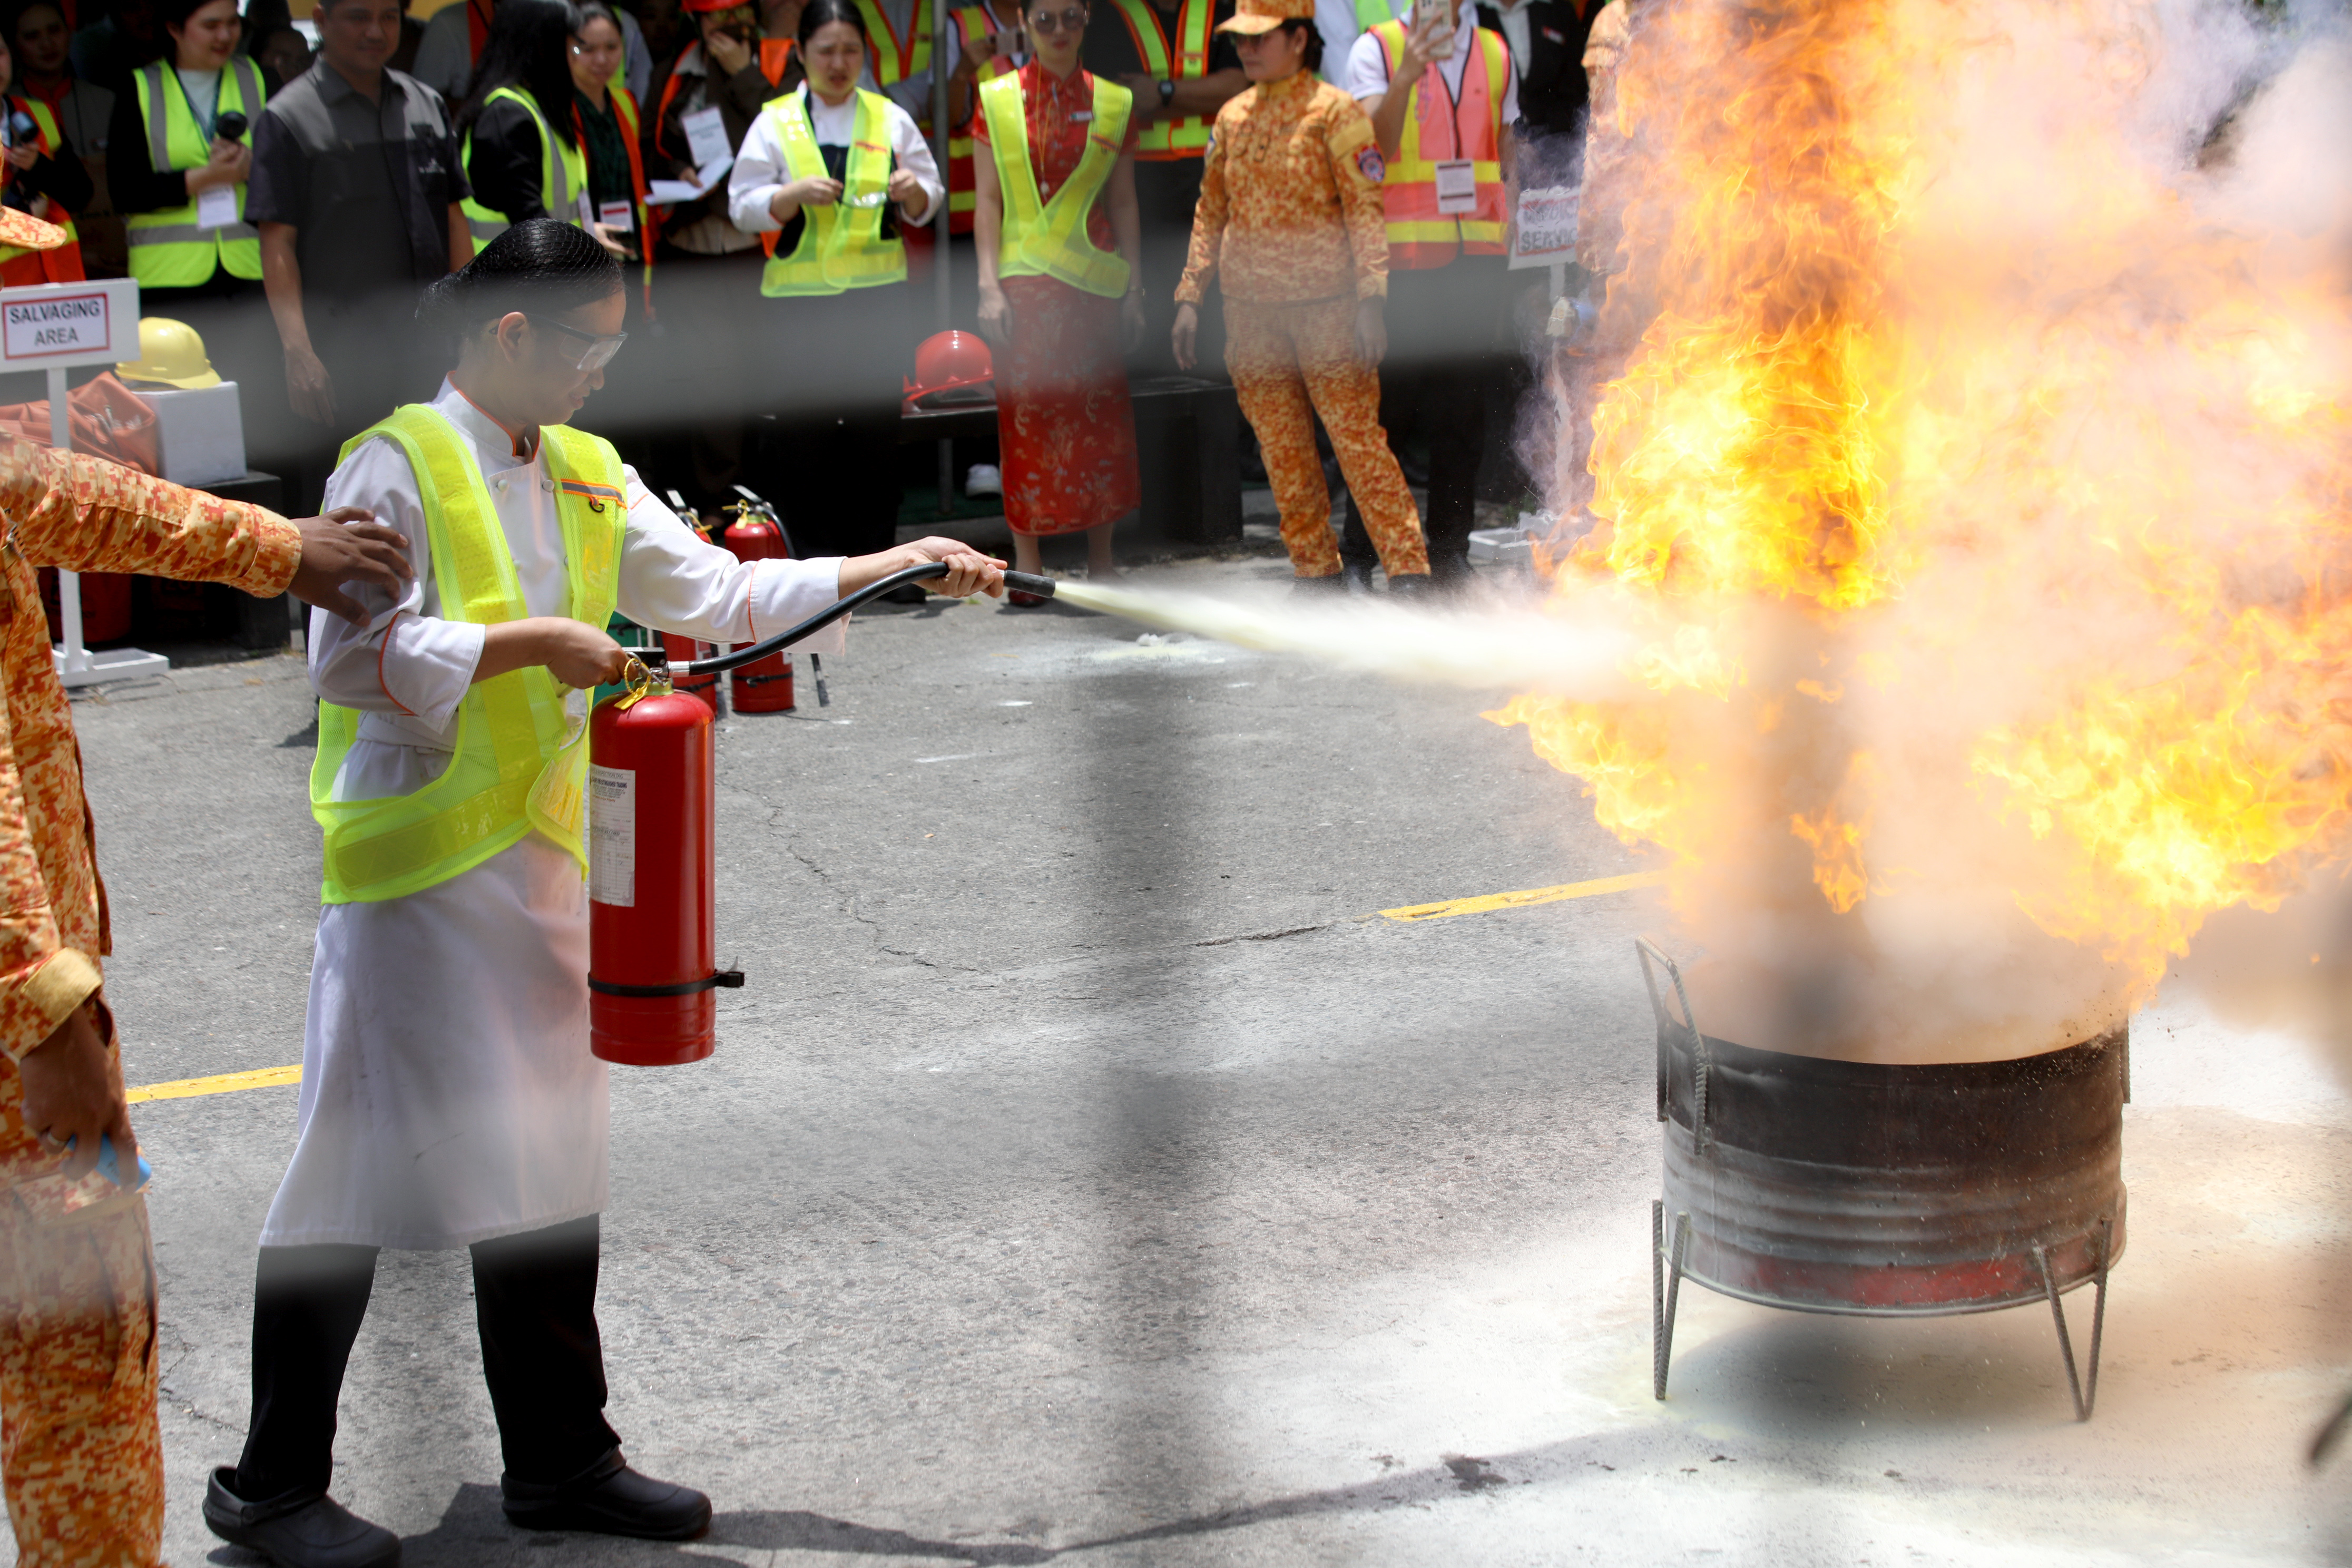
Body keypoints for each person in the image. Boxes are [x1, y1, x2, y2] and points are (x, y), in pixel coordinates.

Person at [200, 217, 1005, 1568]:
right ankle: (270, 1483)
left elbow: (718, 598)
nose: (598, 380)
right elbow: (341, 665)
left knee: (551, 1165)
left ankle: (562, 1458)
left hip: (545, 868)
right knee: (351, 1169)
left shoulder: (580, 469)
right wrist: (534, 647)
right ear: (511, 335)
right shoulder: (392, 463)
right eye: (588, 351)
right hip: (410, 882)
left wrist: (890, 564)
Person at [0, 201, 417, 1568]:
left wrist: (280, 550)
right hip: (19, 1032)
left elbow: (55, 494)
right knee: (79, 1354)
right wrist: (45, 1008)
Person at [1173, 0, 1428, 593]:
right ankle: (1315, 569)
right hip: (1251, 314)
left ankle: (1408, 566)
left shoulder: (1335, 113)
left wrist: (1372, 301)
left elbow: (1366, 209)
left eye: (1262, 38)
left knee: (1357, 442)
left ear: (1298, 39)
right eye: (1242, 39)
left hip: (1329, 311)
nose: (1248, 49)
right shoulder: (1232, 117)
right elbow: (1210, 211)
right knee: (1282, 451)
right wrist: (1190, 295)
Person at [728, 0, 941, 561]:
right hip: (800, 307)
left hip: (877, 302)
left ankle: (880, 564)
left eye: (850, 50)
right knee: (804, 439)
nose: (839, 63)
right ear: (801, 53)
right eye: (826, 50)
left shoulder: (888, 115)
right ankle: (815, 566)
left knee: (875, 437)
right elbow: (741, 206)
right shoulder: (774, 121)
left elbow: (929, 197)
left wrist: (911, 190)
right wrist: (788, 196)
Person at [249, 0, 473, 512]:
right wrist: (298, 352)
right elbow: (276, 240)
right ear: (321, 21)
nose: (375, 31)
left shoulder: (426, 104)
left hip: (429, 342)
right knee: (346, 497)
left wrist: (471, 320)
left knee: (443, 486)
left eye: (388, 17)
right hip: (340, 352)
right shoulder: (288, 118)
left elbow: (453, 217)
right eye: (358, 16)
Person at [1338, 0, 1513, 587]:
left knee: (1463, 413)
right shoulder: (1378, 50)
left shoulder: (1495, 50)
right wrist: (1407, 76)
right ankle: (1362, 555)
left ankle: (1449, 553)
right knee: (1389, 412)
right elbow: (1371, 155)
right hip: (1402, 262)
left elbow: (1505, 149)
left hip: (1477, 260)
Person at [972, 0, 1142, 587]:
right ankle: (1030, 564)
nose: (1059, 32)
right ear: (1022, 21)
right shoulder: (995, 98)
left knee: (1100, 422)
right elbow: (987, 200)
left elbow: (1123, 201)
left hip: (1093, 284)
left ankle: (1102, 560)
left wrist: (1137, 286)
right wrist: (987, 285)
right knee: (1026, 421)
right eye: (1045, 20)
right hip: (1023, 291)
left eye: (1071, 17)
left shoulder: (1114, 102)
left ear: (1088, 17)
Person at [640, 0, 793, 515]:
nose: (723, 29)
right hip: (691, 247)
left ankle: (758, 502)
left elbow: (789, 137)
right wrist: (680, 170)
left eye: (732, 16)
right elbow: (649, 143)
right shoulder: (674, 71)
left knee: (760, 378)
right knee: (713, 383)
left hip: (761, 252)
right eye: (711, 18)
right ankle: (718, 507)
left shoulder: (776, 63)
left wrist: (743, 74)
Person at [106, 0, 278, 457]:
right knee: (179, 412)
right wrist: (204, 179)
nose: (225, 36)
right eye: (211, 26)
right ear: (174, 29)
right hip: (170, 280)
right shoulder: (140, 86)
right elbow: (124, 189)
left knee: (257, 405)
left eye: (232, 24)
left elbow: (296, 171)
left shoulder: (259, 79)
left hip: (248, 272)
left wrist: (252, 169)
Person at [1079, 0, 1241, 371]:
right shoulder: (1110, 15)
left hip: (1216, 197)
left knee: (1218, 340)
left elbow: (1237, 85)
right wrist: (1202, 95)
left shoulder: (1222, 9)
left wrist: (1164, 93)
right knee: (1151, 338)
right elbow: (1118, 99)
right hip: (1142, 202)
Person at [458, 0, 584, 241]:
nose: (576, 60)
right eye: (571, 49)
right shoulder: (506, 117)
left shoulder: (537, 108)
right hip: (511, 275)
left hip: (545, 271)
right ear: (541, 49)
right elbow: (530, 221)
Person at [0, 21, 91, 283]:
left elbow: (80, 195)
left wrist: (39, 168)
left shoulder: (37, 112)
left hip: (60, 283)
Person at [569, 0, 645, 266]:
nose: (602, 60)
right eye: (587, 49)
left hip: (629, 235)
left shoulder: (626, 102)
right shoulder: (559, 109)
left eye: (612, 47)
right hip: (582, 245)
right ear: (569, 50)